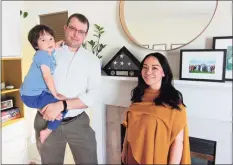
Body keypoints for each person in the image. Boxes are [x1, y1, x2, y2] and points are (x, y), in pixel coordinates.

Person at [34, 13, 101, 164]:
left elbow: (92, 95)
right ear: (65, 28)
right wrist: (42, 107)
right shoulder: (48, 54)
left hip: (78, 122)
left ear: (86, 35)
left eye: (81, 31)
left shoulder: (92, 61)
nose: (76, 34)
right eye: (72, 28)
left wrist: (62, 105)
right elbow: (34, 84)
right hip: (46, 119)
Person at [121, 53, 191, 164]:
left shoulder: (174, 104)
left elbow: (178, 142)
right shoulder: (138, 96)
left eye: (154, 68)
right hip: (132, 156)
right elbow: (130, 126)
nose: (148, 72)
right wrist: (124, 149)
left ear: (164, 72)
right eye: (145, 67)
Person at [20, 24, 67, 144]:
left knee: (58, 106)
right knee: (64, 105)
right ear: (36, 45)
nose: (49, 42)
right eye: (43, 40)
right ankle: (47, 130)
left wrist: (58, 44)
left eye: (51, 38)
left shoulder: (48, 53)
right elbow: (47, 76)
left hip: (29, 94)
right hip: (33, 96)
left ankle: (45, 110)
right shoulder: (43, 55)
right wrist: (55, 94)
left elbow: (52, 47)